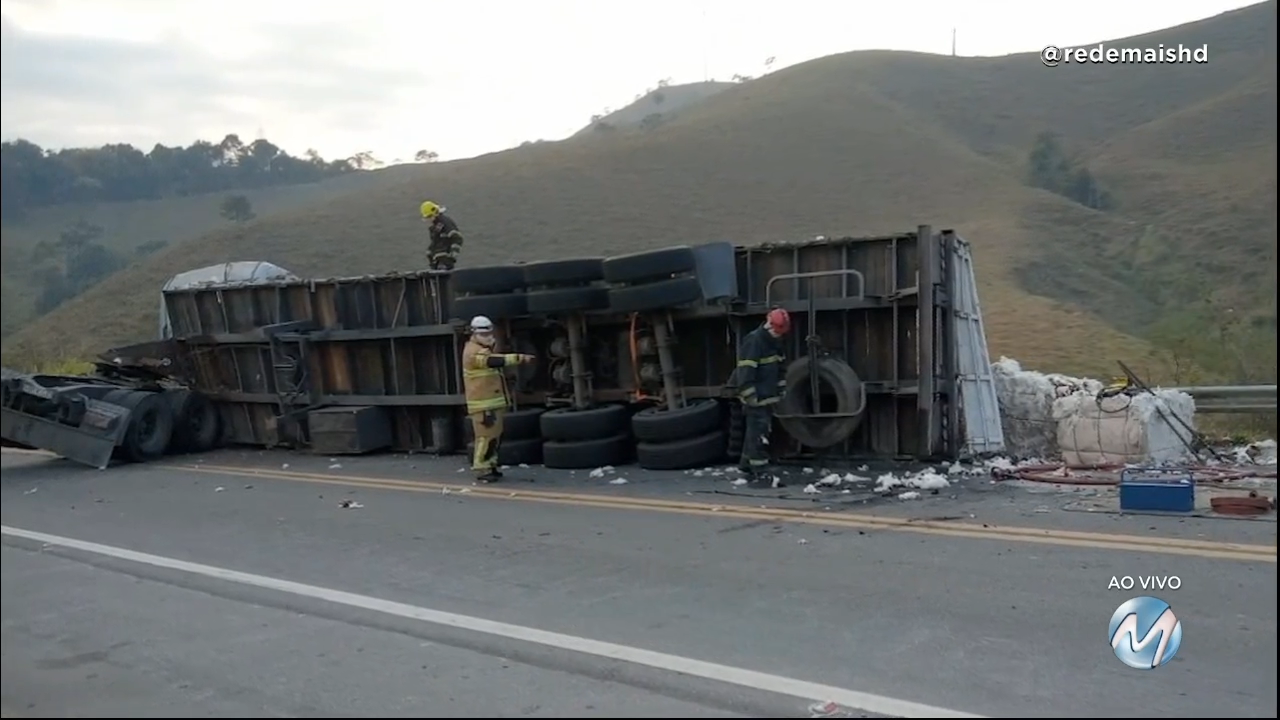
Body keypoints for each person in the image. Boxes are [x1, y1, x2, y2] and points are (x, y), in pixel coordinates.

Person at [461, 315, 535, 482]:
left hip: (492, 402)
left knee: (494, 437)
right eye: (485, 334)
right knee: (485, 437)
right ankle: (482, 468)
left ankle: (491, 465)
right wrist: (519, 358)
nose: (489, 337)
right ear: (474, 334)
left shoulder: (482, 349)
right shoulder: (473, 352)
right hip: (483, 404)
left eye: (490, 334)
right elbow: (492, 362)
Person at [732, 308, 792, 484]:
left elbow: (780, 366)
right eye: (776, 331)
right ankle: (760, 469)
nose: (777, 335)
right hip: (756, 397)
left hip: (767, 396)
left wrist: (781, 387)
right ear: (768, 325)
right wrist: (749, 395)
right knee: (759, 434)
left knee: (755, 431)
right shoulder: (754, 341)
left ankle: (745, 465)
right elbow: (746, 370)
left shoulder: (775, 342)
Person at [420, 200, 464, 270]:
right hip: (437, 262)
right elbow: (435, 243)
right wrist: (430, 256)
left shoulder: (445, 222)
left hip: (445, 261)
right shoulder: (435, 228)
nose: (429, 219)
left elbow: (457, 237)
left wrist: (452, 256)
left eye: (429, 216)